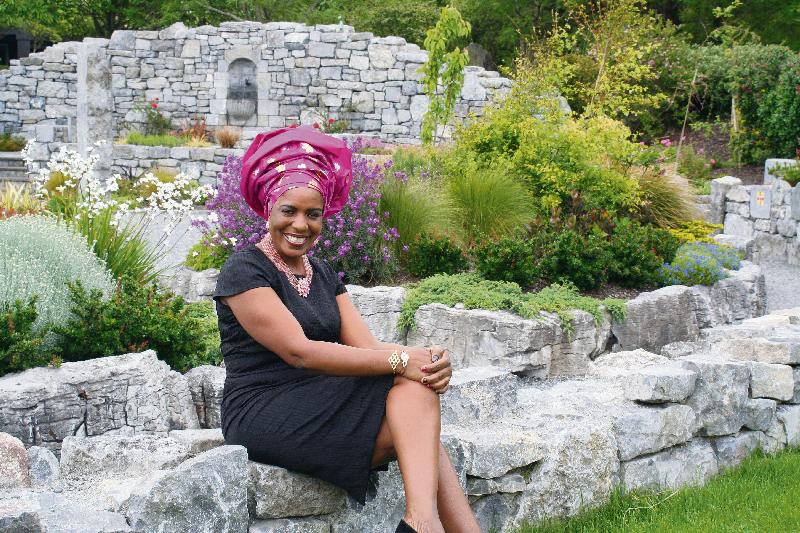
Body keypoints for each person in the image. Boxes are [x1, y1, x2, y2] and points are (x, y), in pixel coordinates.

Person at [213, 125, 481, 533]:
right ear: (268, 208)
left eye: (313, 214)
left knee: (417, 403)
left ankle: (424, 523)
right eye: (289, 210)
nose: (301, 224)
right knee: (413, 402)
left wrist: (425, 359)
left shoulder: (320, 272)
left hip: (320, 397)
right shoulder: (245, 269)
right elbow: (300, 352)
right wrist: (401, 359)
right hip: (263, 408)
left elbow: (367, 346)